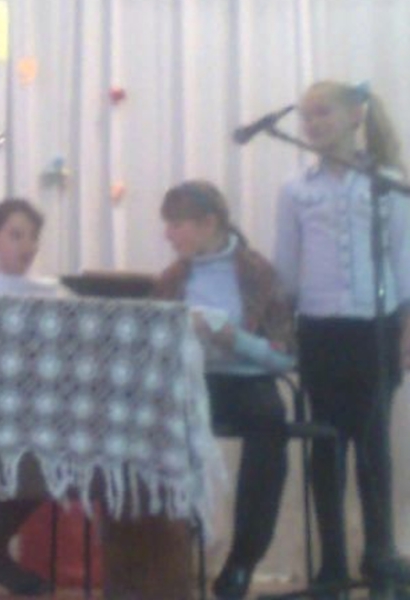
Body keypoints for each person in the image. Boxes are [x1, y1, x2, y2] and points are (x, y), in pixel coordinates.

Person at [273, 81, 410, 591]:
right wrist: (283, 328)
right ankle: (331, 563)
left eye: (322, 113)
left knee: (374, 445)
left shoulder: (387, 183)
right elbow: (287, 269)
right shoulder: (296, 190)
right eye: (306, 116)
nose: (312, 124)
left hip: (375, 329)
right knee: (327, 447)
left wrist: (407, 327)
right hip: (320, 330)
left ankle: (379, 553)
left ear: (355, 115)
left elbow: (404, 259)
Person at [155, 180, 294, 600]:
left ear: (209, 223)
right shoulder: (172, 278)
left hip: (247, 380)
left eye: (176, 224)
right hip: (191, 381)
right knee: (152, 423)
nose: (168, 234)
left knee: (270, 420)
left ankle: (242, 559)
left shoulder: (259, 273)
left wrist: (233, 338)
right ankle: (169, 554)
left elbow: (285, 357)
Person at [0, 198, 58, 596]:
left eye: (33, 237)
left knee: (57, 455)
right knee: (20, 448)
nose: (27, 245)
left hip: (36, 409)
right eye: (16, 235)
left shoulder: (51, 293)